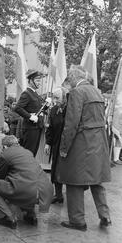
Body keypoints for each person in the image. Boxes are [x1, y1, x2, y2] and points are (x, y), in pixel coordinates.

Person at [56, 65, 111, 231]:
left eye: (68, 80)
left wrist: (64, 148)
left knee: (74, 181)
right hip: (98, 141)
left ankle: (77, 221)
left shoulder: (77, 92)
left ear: (73, 79)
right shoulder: (97, 91)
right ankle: (105, 215)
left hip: (81, 142)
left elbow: (71, 123)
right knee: (97, 180)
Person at [0, 135, 53, 229]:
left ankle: (10, 218)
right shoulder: (27, 152)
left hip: (28, 190)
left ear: (5, 146)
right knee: (27, 182)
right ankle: (31, 216)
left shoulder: (4, 154)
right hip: (45, 190)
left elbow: (0, 175)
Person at [15, 69, 51, 156]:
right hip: (30, 128)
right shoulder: (27, 93)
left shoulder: (35, 94)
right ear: (31, 81)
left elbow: (39, 109)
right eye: (37, 80)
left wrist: (46, 105)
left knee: (33, 153)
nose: (39, 83)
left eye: (40, 80)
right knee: (28, 154)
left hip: (37, 127)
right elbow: (18, 108)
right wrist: (29, 116)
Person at [44, 87, 68, 204]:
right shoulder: (53, 110)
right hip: (56, 144)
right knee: (55, 170)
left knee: (67, 171)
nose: (54, 100)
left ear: (64, 98)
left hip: (68, 145)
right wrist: (48, 143)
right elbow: (50, 129)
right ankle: (58, 195)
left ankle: (72, 196)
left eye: (57, 98)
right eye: (53, 97)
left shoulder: (70, 109)